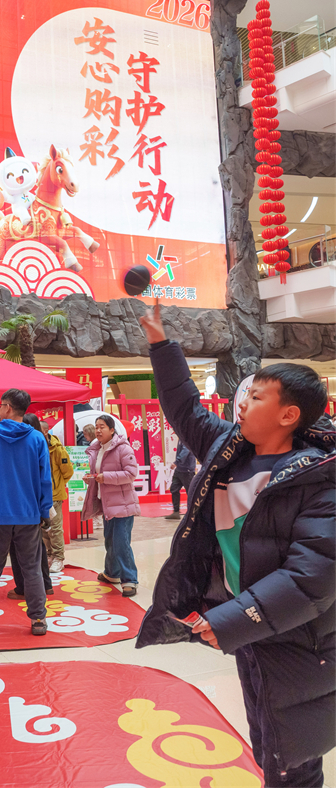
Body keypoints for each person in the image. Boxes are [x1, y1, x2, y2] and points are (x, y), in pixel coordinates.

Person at [137, 301, 335, 788]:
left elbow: (310, 579)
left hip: (297, 636)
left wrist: (231, 620)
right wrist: (161, 344)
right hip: (252, 629)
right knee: (267, 739)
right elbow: (184, 407)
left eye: (257, 397)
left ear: (289, 415)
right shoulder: (228, 449)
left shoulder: (320, 482)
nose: (242, 403)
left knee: (292, 755)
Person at [0, 389, 52, 636]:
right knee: (31, 568)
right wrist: (44, 511)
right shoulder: (37, 439)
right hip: (28, 515)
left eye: (1, 405)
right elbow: (45, 479)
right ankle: (38, 619)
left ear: (7, 407)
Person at [82, 415, 141, 597]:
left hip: (123, 505)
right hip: (107, 503)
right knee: (109, 540)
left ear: (112, 430)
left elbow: (131, 474)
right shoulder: (97, 449)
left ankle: (129, 580)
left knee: (121, 543)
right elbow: (99, 473)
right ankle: (112, 573)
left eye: (102, 427)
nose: (98, 430)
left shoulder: (123, 448)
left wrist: (105, 477)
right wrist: (91, 478)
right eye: (96, 427)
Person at [7, 412, 54, 599]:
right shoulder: (41, 442)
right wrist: (45, 508)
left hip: (20, 506)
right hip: (37, 505)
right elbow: (46, 479)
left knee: (17, 548)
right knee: (37, 547)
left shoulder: (20, 444)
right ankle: (46, 585)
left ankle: (23, 588)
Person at [42, 424, 74, 573]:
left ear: (45, 431)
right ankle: (50, 555)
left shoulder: (57, 449)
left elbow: (68, 472)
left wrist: (58, 485)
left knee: (55, 529)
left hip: (54, 495)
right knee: (44, 529)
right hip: (40, 496)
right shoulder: (35, 446)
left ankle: (59, 558)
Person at [165, 439, 196, 520]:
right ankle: (176, 512)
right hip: (179, 470)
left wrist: (176, 462)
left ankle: (192, 513)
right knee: (174, 489)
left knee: (190, 492)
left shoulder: (187, 437)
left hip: (187, 470)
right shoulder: (181, 438)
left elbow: (185, 451)